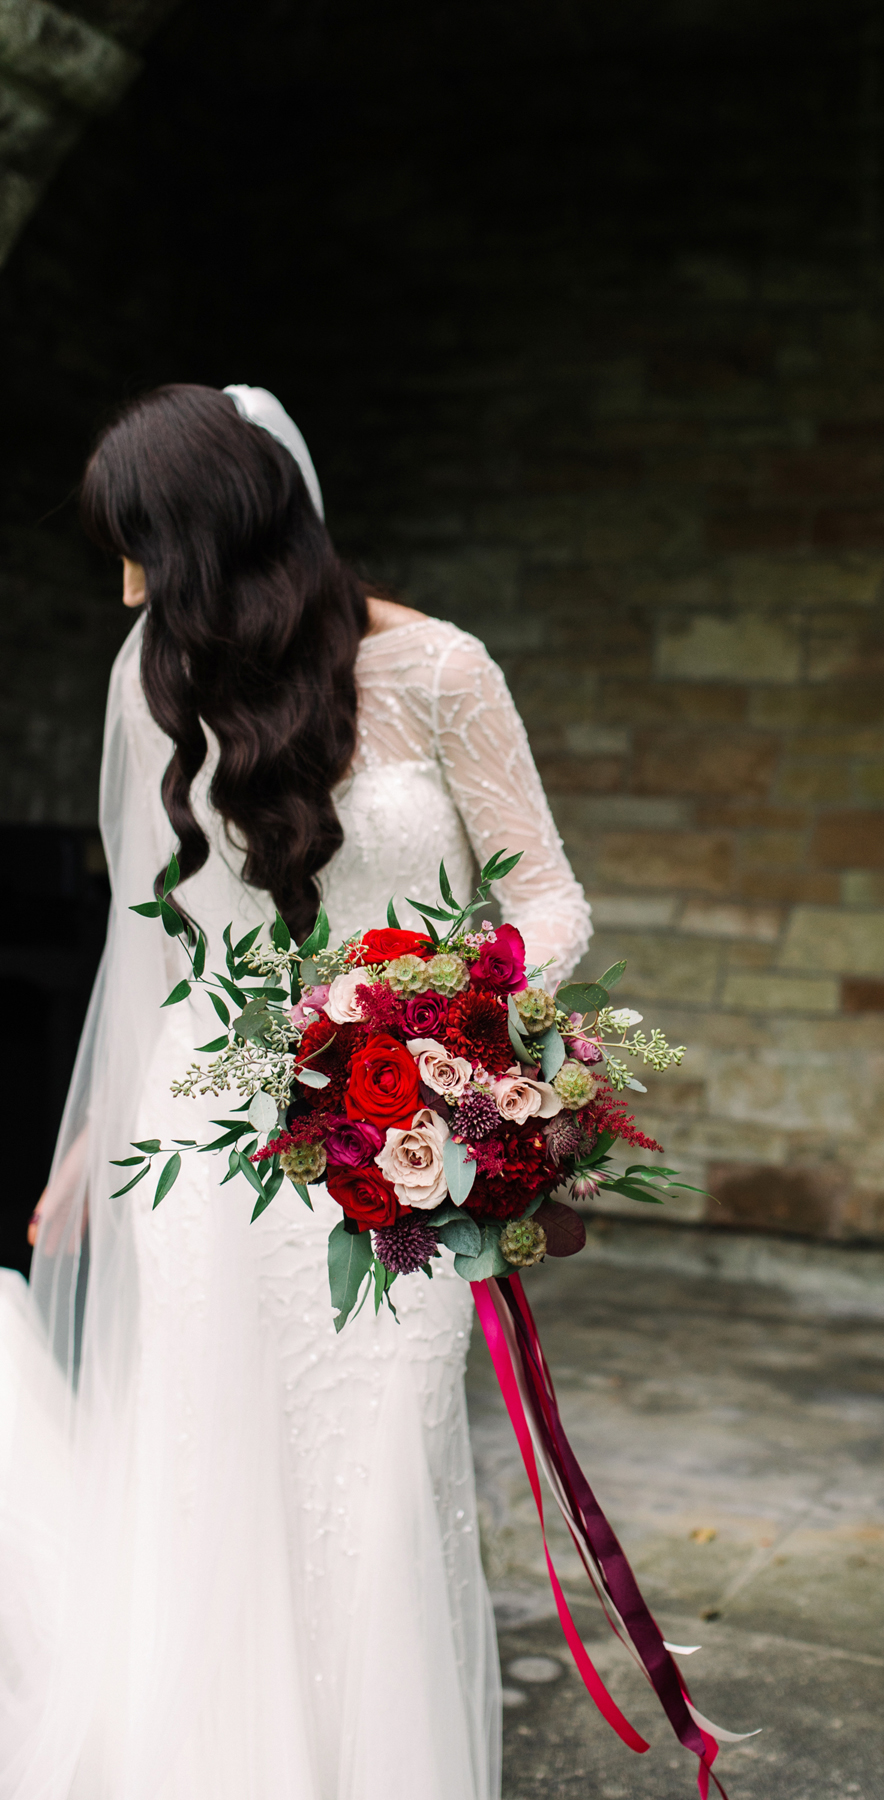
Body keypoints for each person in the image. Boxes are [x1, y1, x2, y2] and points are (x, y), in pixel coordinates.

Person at [0, 384, 591, 1800]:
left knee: (373, 1495)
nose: (133, 590)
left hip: (386, 1151)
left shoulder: (443, 670)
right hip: (206, 1152)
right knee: (219, 1493)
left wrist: (451, 1025)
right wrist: (97, 1136)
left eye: (149, 551)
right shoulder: (166, 677)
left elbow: (550, 898)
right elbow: (165, 946)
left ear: (235, 534)